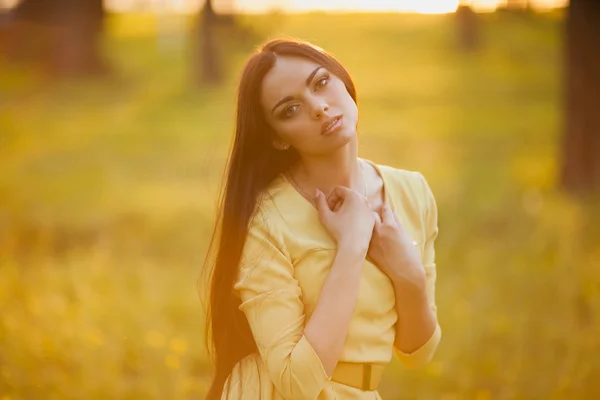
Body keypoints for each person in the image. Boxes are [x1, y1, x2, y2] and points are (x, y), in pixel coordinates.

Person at [200, 38, 441, 400]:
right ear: (278, 139)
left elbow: (418, 351)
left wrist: (409, 275)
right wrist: (353, 245)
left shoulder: (411, 192)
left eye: (321, 82)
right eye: (290, 109)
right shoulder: (268, 221)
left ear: (344, 80)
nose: (317, 107)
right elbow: (297, 384)